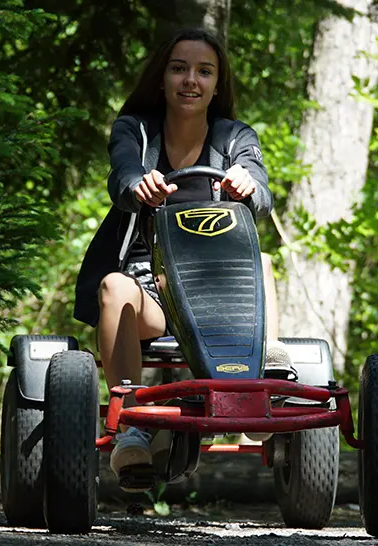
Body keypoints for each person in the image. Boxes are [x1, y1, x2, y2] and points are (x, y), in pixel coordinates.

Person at [73, 28, 274, 486]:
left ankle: (253, 390)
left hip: (221, 291)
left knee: (263, 263)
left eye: (204, 72)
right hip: (151, 287)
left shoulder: (235, 137)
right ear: (162, 78)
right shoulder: (136, 130)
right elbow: (123, 174)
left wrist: (248, 186)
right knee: (113, 286)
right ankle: (133, 425)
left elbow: (261, 189)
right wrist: (136, 185)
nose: (190, 81)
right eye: (179, 69)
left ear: (217, 85)